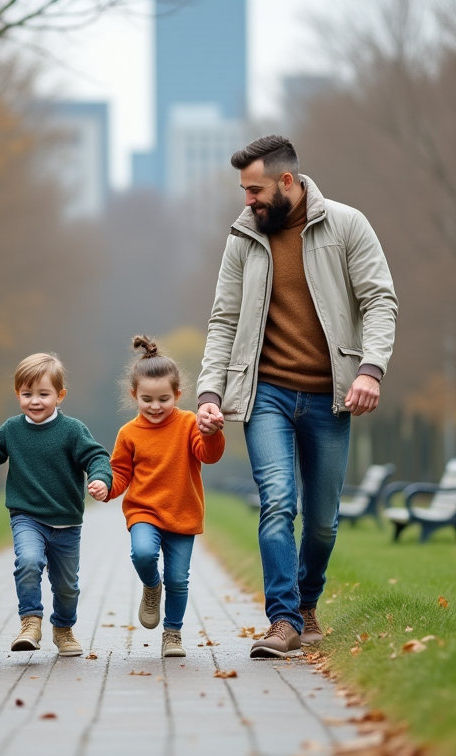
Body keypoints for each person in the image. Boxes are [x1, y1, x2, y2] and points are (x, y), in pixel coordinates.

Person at [196, 135, 398, 658]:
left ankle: (308, 602)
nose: (248, 200)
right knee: (278, 501)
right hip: (266, 395)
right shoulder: (243, 237)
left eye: (255, 189)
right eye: (243, 190)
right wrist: (210, 391)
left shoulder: (347, 225)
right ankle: (283, 620)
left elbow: (379, 299)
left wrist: (370, 370)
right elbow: (222, 320)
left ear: (287, 182)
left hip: (330, 398)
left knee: (324, 520)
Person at [0, 353, 112, 657]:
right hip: (27, 516)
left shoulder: (72, 430)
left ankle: (63, 628)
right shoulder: (12, 429)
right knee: (28, 561)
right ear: (18, 394)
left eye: (43, 394)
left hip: (67, 522)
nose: (35, 401)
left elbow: (96, 457)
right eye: (27, 394)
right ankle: (30, 621)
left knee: (67, 587)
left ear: (60, 395)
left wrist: (100, 479)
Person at [108, 336, 226, 658]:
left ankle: (172, 633)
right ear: (134, 395)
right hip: (144, 511)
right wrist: (106, 488)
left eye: (163, 398)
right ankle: (151, 585)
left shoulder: (189, 423)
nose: (155, 406)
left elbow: (208, 455)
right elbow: (120, 474)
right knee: (143, 554)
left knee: (178, 579)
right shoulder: (128, 434)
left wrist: (212, 434)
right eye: (147, 399)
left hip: (183, 512)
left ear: (178, 394)